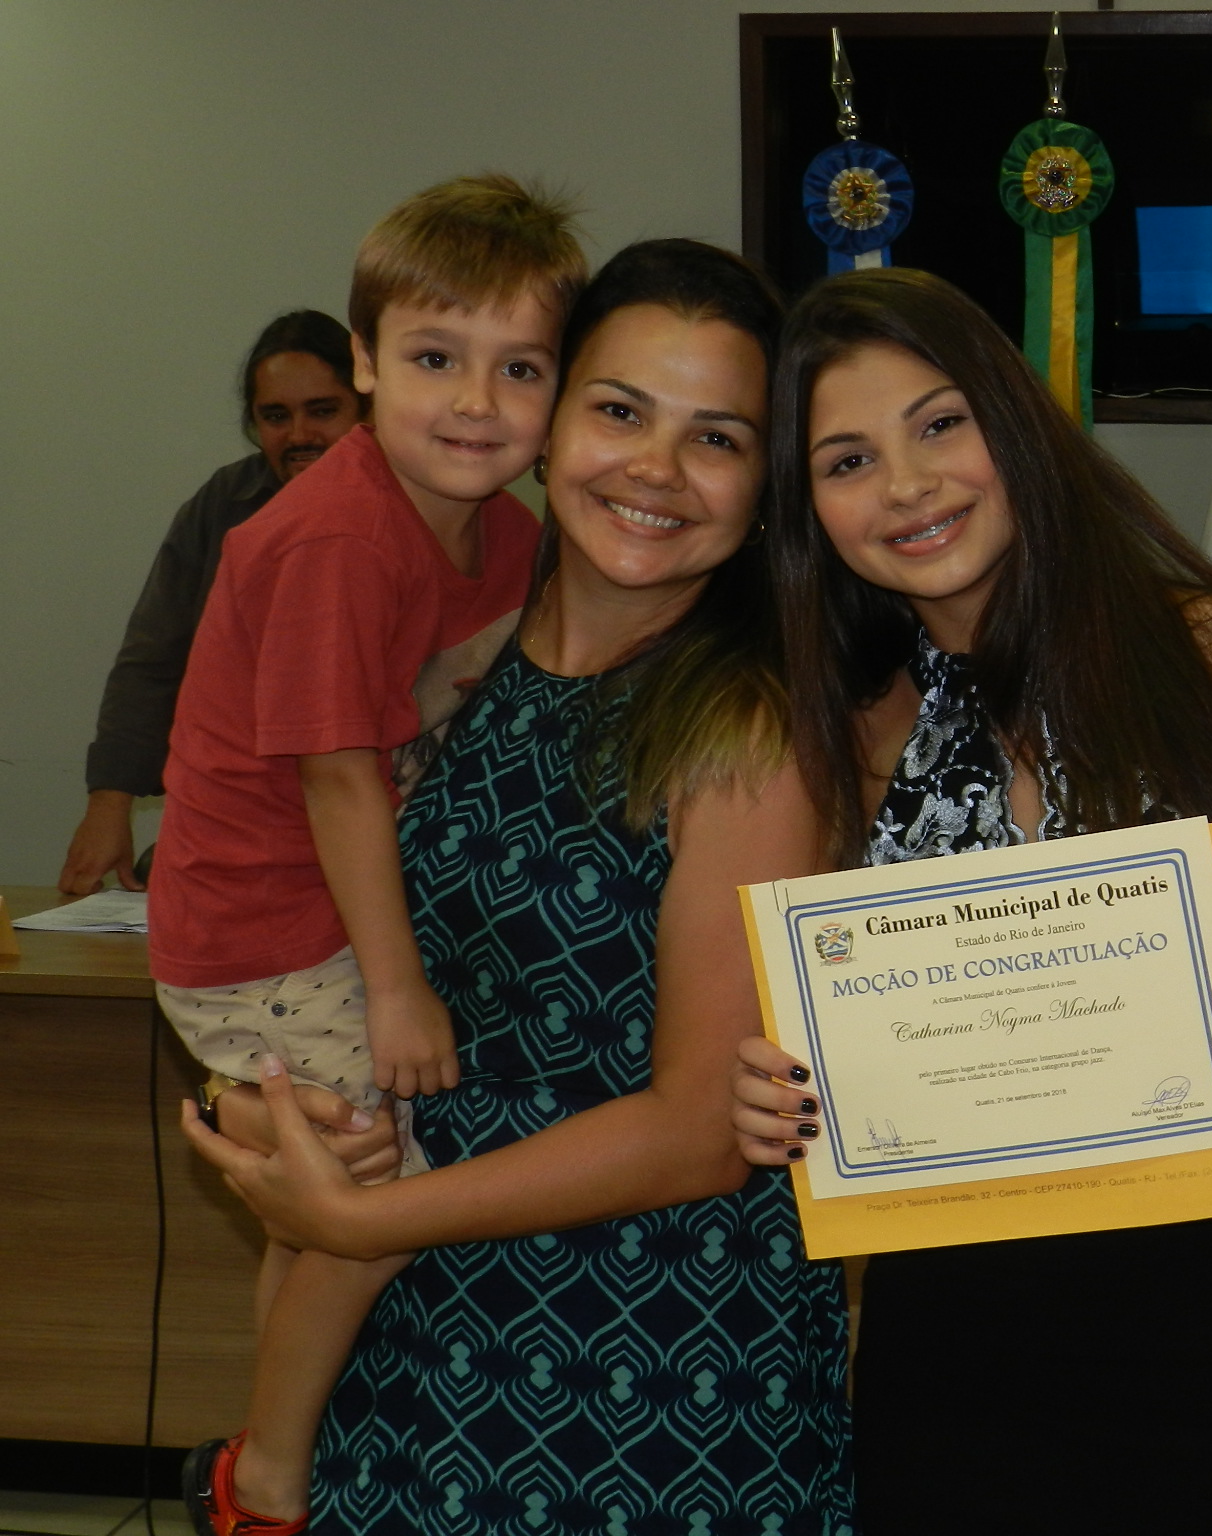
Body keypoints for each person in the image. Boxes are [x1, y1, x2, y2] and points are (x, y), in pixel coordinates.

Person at [185, 238, 858, 1536]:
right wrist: (277, 1106)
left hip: (649, 1372)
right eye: (619, 411)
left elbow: (701, 1132)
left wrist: (358, 1212)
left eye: (716, 438)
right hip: (409, 1355)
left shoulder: (747, 732)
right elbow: (319, 932)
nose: (656, 470)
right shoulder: (455, 666)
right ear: (550, 425)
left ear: (764, 484)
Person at [728, 267, 1212, 1536]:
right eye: (846, 458)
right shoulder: (837, 731)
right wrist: (774, 1087)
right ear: (807, 508)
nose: (907, 485)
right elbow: (822, 1022)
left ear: (1012, 423)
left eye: (939, 423)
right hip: (952, 1321)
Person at [154, 173, 581, 1534]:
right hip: (268, 927)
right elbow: (343, 781)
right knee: (361, 1186)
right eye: (434, 361)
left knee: (314, 1211)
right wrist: (397, 990)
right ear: (363, 363)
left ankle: (296, 1437)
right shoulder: (341, 534)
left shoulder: (506, 532)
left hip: (332, 911)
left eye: (519, 370)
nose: (475, 403)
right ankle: (269, 1475)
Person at [59, 310, 366, 895]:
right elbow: (153, 658)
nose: (300, 434)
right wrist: (109, 805)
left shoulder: (417, 506)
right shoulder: (224, 505)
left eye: (323, 411)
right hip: (238, 823)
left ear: (367, 409)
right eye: (275, 416)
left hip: (377, 816)